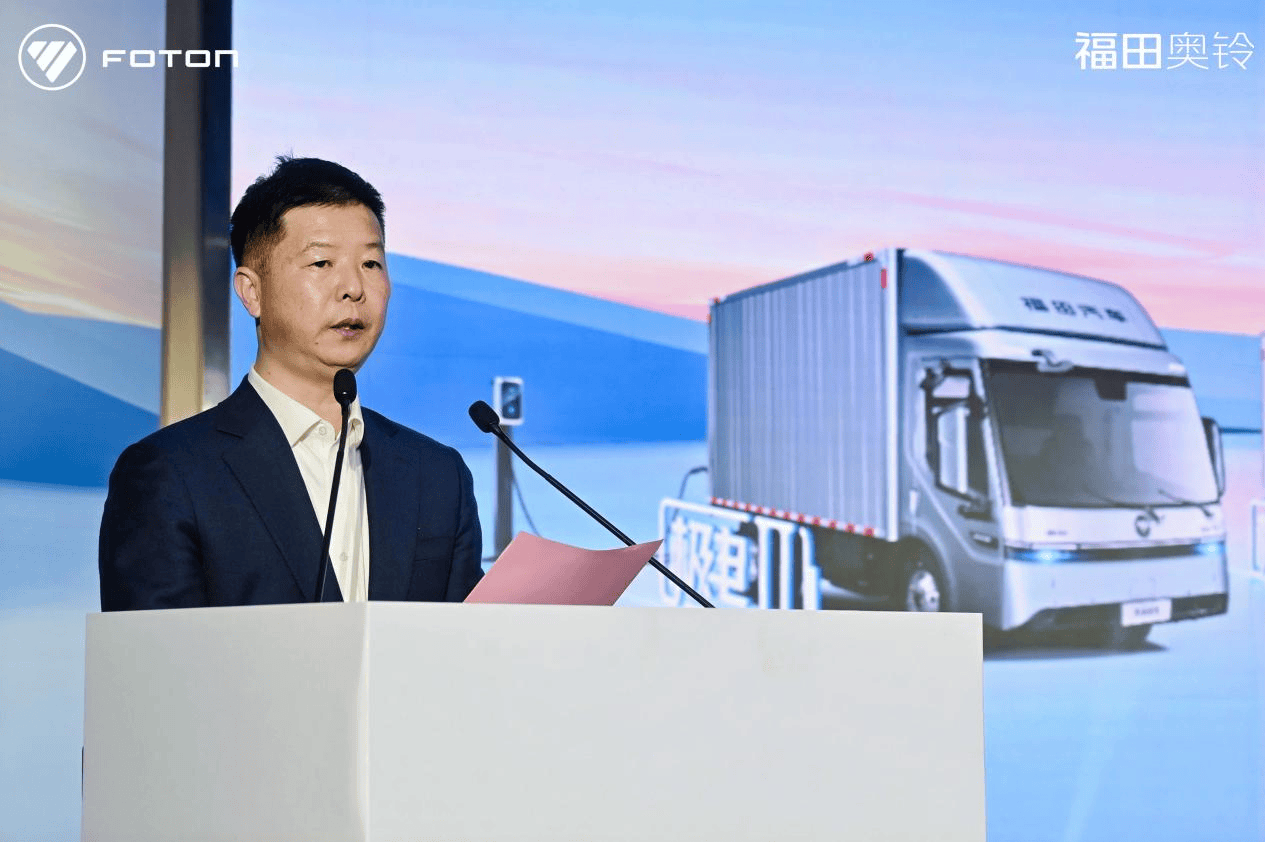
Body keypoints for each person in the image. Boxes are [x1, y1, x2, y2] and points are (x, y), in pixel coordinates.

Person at [98, 156, 483, 610]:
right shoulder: (170, 474)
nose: (353, 288)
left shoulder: (438, 476)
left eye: (371, 263)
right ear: (252, 291)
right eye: (322, 262)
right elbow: (155, 653)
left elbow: (468, 645)